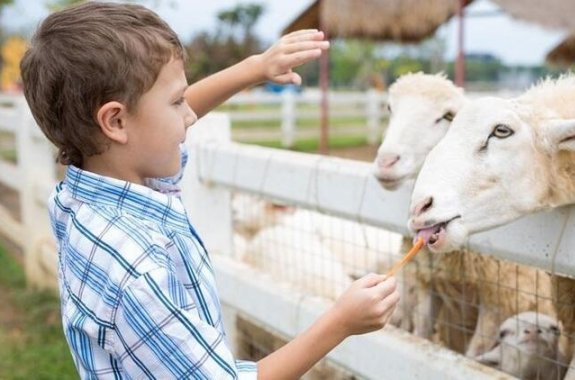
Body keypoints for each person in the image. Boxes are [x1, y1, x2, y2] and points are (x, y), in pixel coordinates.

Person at [20, 2, 400, 379]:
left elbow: (148, 125)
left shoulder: (82, 196)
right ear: (115, 121)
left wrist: (252, 70)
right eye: (177, 101)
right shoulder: (138, 268)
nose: (190, 116)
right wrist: (340, 322)